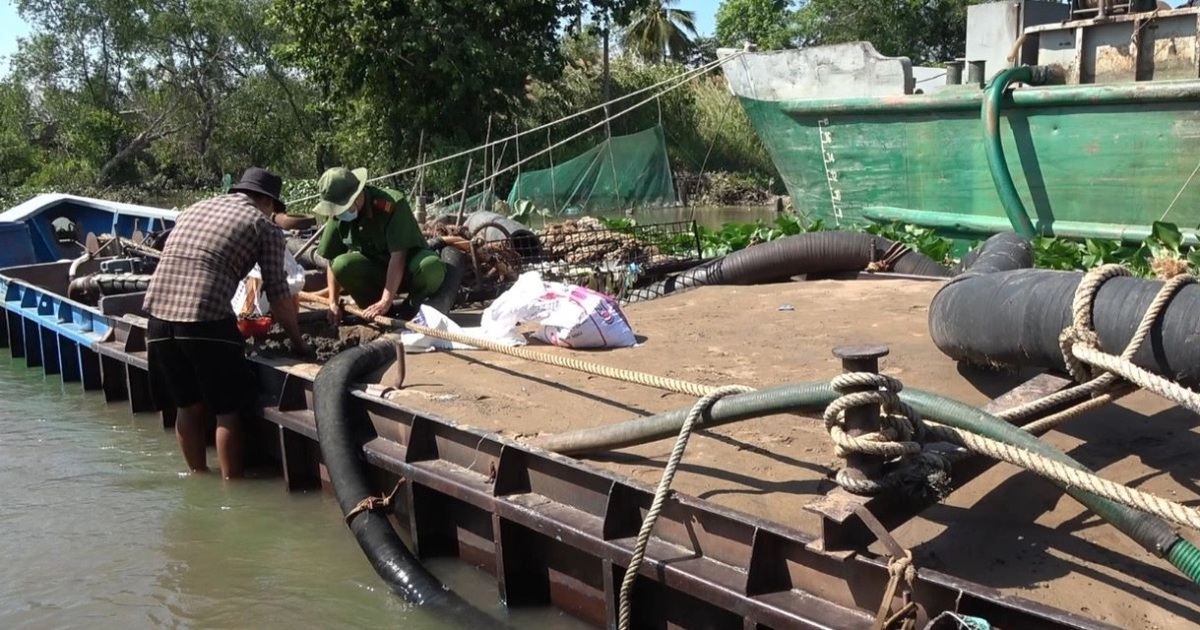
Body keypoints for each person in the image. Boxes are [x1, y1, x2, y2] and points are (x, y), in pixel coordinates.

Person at [143, 167, 314, 479]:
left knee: (188, 405)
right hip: (204, 319)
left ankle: (198, 475)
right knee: (227, 410)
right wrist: (298, 343)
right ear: (267, 202)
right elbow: (278, 293)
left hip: (156, 319)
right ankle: (231, 489)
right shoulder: (263, 225)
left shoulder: (195, 209)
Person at [311, 166, 445, 323]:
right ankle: (374, 310)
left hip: (410, 270)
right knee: (341, 265)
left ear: (356, 197)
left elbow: (398, 256)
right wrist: (333, 302)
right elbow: (331, 259)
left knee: (431, 267)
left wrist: (386, 300)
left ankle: (411, 308)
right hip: (377, 271)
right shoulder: (339, 214)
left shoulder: (392, 204)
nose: (339, 213)